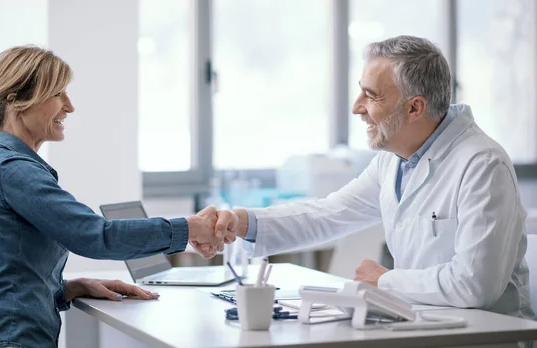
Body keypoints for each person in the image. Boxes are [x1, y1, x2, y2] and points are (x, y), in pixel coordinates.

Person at [208, 35, 533, 320]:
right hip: (425, 325)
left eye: (371, 95)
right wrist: (242, 222)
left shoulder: (482, 165)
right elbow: (327, 215)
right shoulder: (394, 161)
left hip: (488, 336)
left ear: (414, 108)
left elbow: (475, 286)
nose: (356, 107)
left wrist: (384, 280)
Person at [0, 46, 237, 348]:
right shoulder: (11, 169)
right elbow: (97, 236)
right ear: (17, 101)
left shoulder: (2, 165)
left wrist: (68, 288)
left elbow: (7, 272)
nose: (69, 106)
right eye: (58, 93)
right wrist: (190, 228)